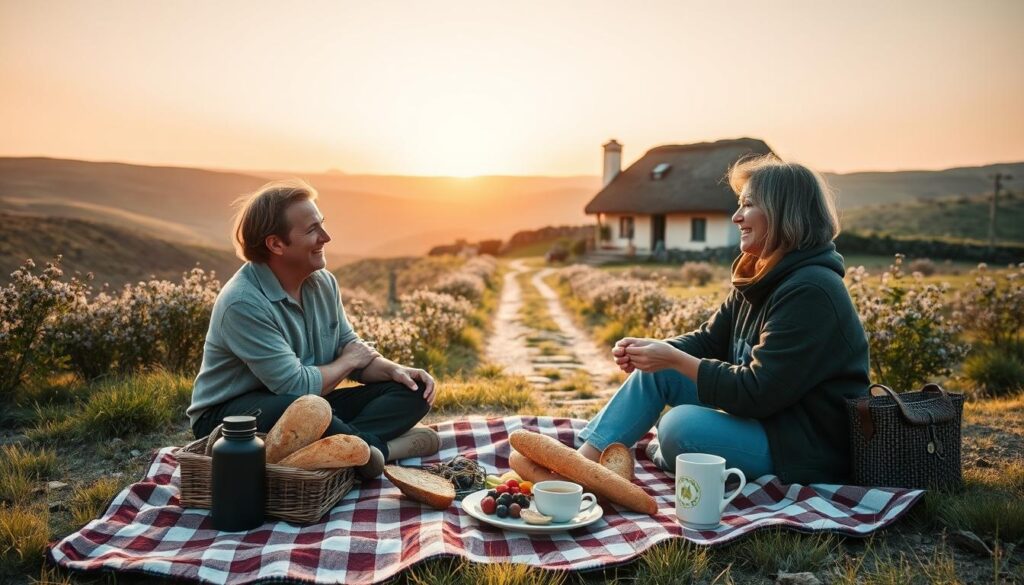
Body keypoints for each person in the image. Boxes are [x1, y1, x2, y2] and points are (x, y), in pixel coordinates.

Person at [577, 155, 870, 485]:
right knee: (657, 373)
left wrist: (672, 357)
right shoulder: (760, 275)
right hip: (765, 420)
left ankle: (665, 452)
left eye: (748, 205)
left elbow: (757, 392)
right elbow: (710, 341)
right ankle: (581, 463)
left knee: (678, 427)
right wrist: (656, 351)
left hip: (801, 445)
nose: (736, 217)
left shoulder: (812, 290)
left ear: (783, 212)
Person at [187, 179, 439, 479]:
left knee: (413, 390)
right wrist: (348, 362)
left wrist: (393, 370)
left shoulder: (323, 282)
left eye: (322, 224)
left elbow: (349, 346)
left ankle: (351, 451)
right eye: (312, 230)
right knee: (303, 406)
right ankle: (379, 451)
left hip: (308, 405)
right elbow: (296, 385)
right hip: (230, 418)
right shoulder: (242, 304)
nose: (326, 237)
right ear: (276, 244)